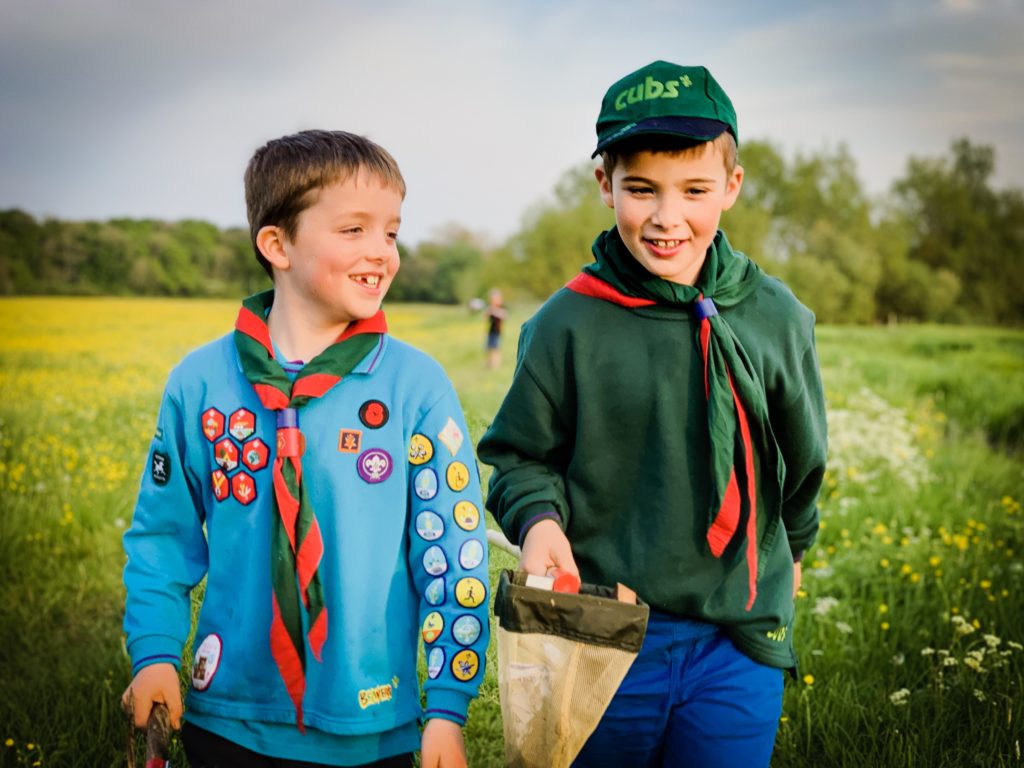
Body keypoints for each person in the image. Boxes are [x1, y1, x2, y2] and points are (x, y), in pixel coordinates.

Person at [477, 61, 827, 767]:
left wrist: (781, 564)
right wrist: (540, 522)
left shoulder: (777, 317)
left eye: (694, 190)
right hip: (602, 632)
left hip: (737, 643)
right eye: (642, 190)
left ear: (731, 186)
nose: (668, 217)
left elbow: (803, 463)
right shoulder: (566, 324)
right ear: (605, 185)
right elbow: (519, 456)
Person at [121, 129, 489, 768]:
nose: (381, 251)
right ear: (277, 243)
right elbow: (161, 538)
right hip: (230, 719)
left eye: (391, 232)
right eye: (354, 230)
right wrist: (154, 653)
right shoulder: (199, 382)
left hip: (375, 725)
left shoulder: (416, 386)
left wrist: (448, 709)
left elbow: (453, 553)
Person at [483, 288, 507, 369]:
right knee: (489, 348)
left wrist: (494, 310)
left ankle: (496, 364)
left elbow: (504, 315)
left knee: (496, 348)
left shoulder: (501, 307)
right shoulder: (490, 308)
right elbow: (485, 316)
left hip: (497, 331)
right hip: (490, 331)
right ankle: (489, 363)